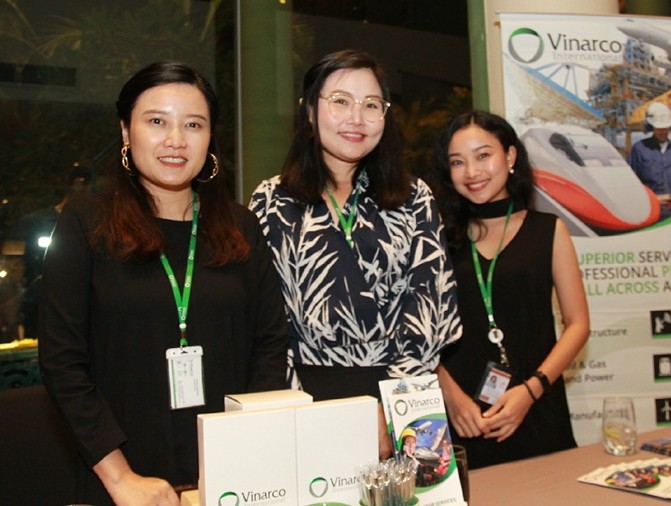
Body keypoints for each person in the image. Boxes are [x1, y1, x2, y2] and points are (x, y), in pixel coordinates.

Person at [38, 61, 288, 505]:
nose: (176, 140)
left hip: (233, 478)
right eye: (157, 121)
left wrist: (243, 453)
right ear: (126, 131)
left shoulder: (240, 226)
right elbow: (62, 361)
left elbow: (269, 345)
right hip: (123, 481)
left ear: (210, 137)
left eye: (193, 124)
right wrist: (120, 478)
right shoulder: (85, 223)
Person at [248, 49, 461, 459]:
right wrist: (297, 408)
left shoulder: (414, 198)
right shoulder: (271, 201)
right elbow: (263, 322)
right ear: (310, 111)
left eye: (371, 105)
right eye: (341, 101)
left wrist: (393, 410)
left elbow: (430, 310)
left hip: (403, 397)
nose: (357, 118)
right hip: (301, 400)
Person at [429, 110, 589, 469]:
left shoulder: (548, 230)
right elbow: (417, 332)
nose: (472, 172)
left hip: (536, 408)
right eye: (458, 162)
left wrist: (531, 390)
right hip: (462, 418)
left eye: (483, 155)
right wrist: (449, 396)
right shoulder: (435, 238)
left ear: (510, 156)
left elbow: (578, 324)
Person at [8, 164, 91, 338]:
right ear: (74, 183)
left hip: (83, 305)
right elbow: (16, 265)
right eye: (82, 182)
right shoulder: (36, 222)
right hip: (41, 303)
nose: (85, 189)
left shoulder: (97, 225)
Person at [628, 101, 671, 219]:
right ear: (652, 127)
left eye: (666, 128)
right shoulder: (639, 149)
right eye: (659, 128)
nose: (663, 132)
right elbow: (631, 181)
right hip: (650, 210)